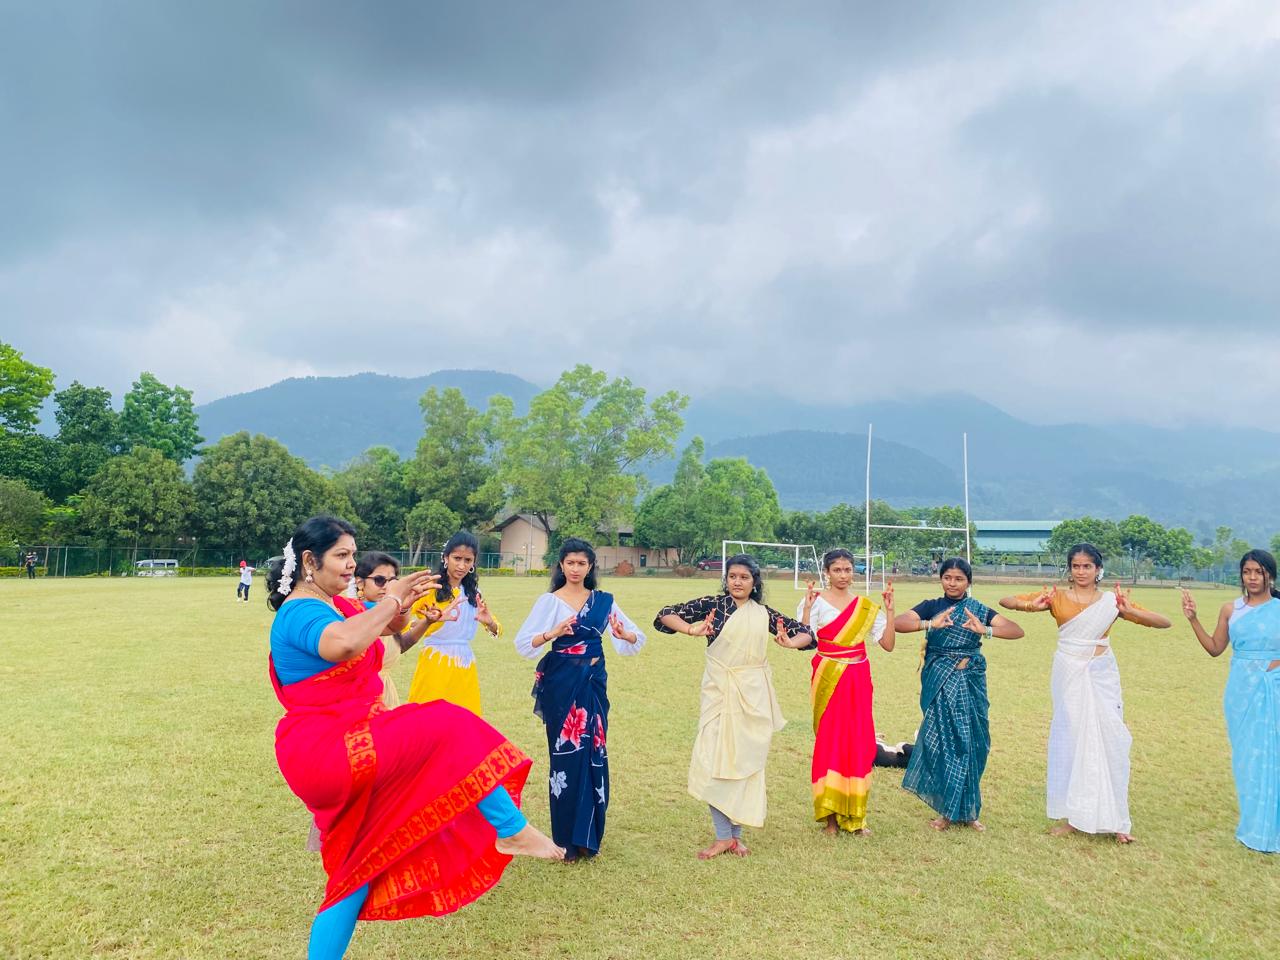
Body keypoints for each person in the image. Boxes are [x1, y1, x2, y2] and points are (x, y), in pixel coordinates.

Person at [267, 515, 563, 960]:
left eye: (353, 554)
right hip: (330, 748)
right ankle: (511, 829)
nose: (351, 565)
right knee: (449, 723)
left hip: (349, 741)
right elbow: (343, 645)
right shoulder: (300, 610)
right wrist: (390, 599)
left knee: (356, 870)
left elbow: (389, 638)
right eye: (342, 556)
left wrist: (409, 605)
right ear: (310, 560)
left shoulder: (338, 605)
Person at [1001, 543, 1170, 844]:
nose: (1081, 572)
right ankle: (1074, 818)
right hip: (1068, 674)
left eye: (1087, 566)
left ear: (1098, 569)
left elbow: (1164, 622)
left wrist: (1130, 611)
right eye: (1076, 566)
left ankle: (1117, 820)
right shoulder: (1056, 597)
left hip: (1101, 673)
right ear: (1070, 569)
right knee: (1073, 740)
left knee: (1111, 740)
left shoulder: (1110, 602)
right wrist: (1032, 605)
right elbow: (1006, 600)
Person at [655, 553, 814, 859]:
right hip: (719, 692)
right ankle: (722, 835)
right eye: (732, 576)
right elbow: (665, 615)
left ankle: (735, 837)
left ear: (755, 583)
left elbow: (808, 635)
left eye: (744, 577)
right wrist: (692, 629)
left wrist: (790, 643)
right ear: (725, 580)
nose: (737, 582)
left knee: (745, 763)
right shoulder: (715, 605)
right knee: (714, 760)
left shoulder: (764, 614)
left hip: (753, 697)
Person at [513, 537, 646, 861]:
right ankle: (566, 841)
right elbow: (523, 644)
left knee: (594, 753)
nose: (575, 568)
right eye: (570, 563)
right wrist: (552, 634)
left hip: (593, 685)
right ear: (561, 566)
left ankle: (589, 837)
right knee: (565, 757)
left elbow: (635, 638)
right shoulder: (550, 602)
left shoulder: (603, 601)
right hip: (561, 686)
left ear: (590, 567)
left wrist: (623, 634)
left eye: (581, 563)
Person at [895, 557, 1024, 832]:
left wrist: (985, 630)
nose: (952, 583)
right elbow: (899, 623)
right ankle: (947, 811)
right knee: (945, 744)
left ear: (969, 582)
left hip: (970, 683)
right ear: (941, 579)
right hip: (940, 681)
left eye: (959, 579)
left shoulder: (977, 610)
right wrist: (929, 624)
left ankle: (969, 811)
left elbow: (1016, 630)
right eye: (947, 578)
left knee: (975, 744)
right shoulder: (932, 606)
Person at [1181, 550, 1280, 853]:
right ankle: (1253, 827)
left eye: (1259, 572)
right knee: (1247, 760)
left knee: (1272, 759)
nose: (1252, 578)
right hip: (1240, 691)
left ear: (1270, 576)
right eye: (1247, 572)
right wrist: (1193, 619)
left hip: (1273, 687)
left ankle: (1269, 832)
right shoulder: (1230, 609)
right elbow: (1214, 648)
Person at [796, 548, 896, 836]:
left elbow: (888, 645)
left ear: (854, 572)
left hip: (858, 679)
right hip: (829, 677)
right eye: (837, 570)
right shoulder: (815, 601)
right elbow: (804, 640)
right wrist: (805, 609)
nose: (843, 575)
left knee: (859, 742)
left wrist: (889, 612)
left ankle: (855, 817)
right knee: (831, 742)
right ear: (826, 572)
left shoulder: (865, 606)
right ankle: (829, 818)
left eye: (847, 569)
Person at [407, 531, 502, 715]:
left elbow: (497, 630)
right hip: (435, 663)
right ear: (445, 558)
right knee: (429, 718)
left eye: (467, 560)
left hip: (464, 665)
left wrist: (490, 622)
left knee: (464, 721)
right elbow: (403, 624)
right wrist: (427, 621)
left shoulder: (474, 592)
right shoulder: (430, 587)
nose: (461, 565)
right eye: (457, 558)